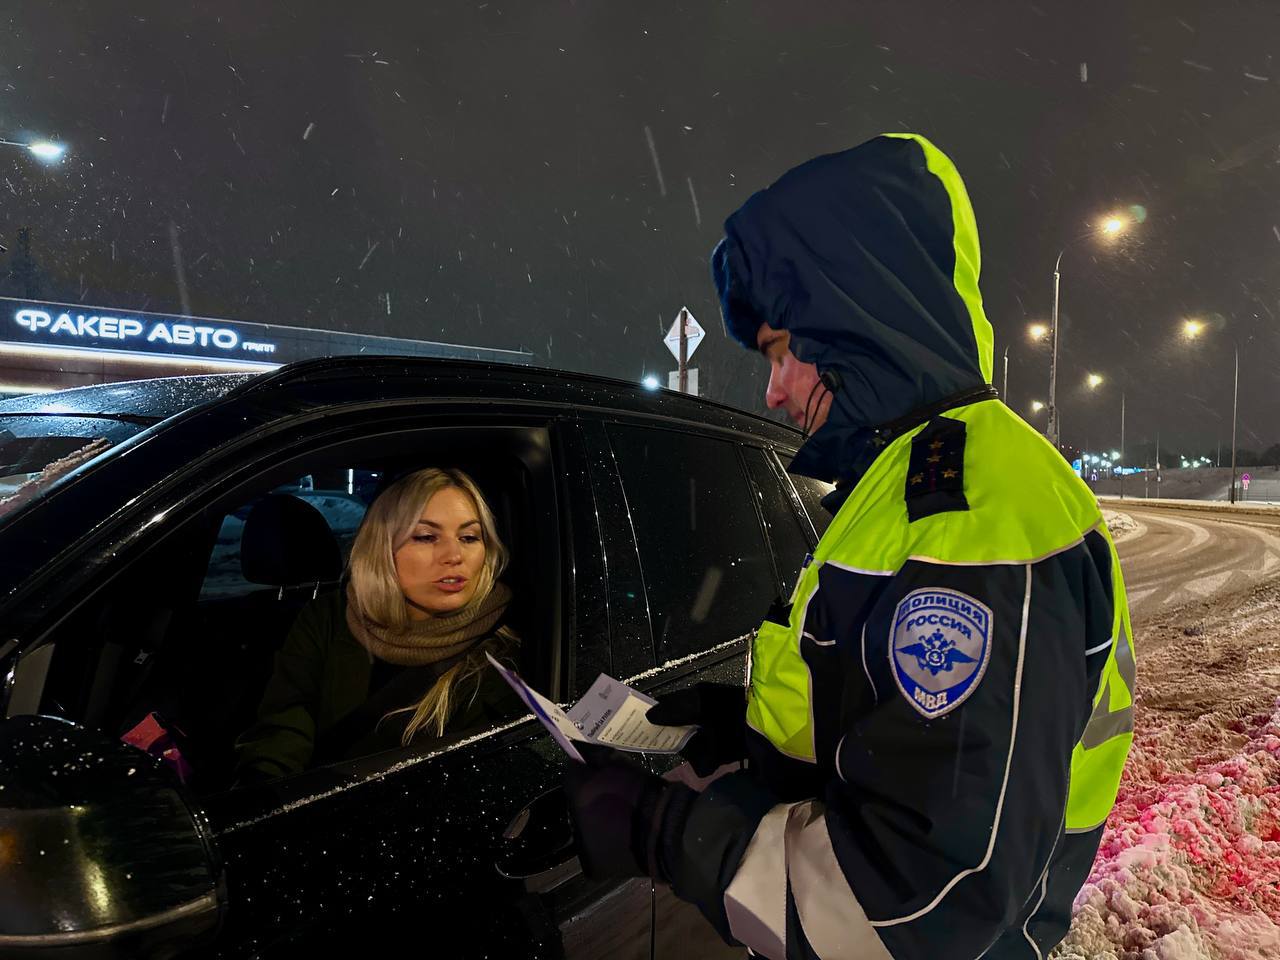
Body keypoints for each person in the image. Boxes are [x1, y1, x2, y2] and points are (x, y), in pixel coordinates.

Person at [563, 133, 1135, 960]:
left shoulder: (970, 517)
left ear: (851, 321)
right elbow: (886, 728)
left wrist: (663, 831)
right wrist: (741, 730)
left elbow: (918, 907)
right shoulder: (905, 485)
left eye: (780, 352)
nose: (773, 391)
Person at [235, 467, 521, 782]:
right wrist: (264, 791)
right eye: (426, 536)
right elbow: (283, 724)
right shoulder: (330, 617)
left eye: (469, 537)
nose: (454, 555)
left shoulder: (503, 656)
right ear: (383, 547)